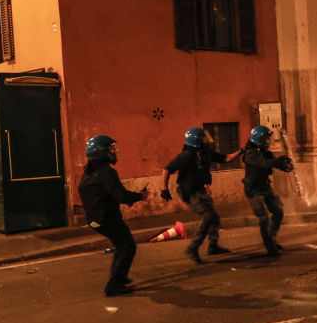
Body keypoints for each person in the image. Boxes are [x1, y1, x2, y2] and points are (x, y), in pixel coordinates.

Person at [78, 135, 149, 297]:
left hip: (95, 219)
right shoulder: (107, 172)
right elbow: (121, 195)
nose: (113, 152)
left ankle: (119, 277)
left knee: (121, 245)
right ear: (101, 152)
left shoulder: (90, 173)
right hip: (107, 219)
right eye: (110, 149)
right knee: (128, 246)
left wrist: (119, 198)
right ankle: (114, 285)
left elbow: (103, 193)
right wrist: (139, 197)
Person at [162, 127, 241, 264]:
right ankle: (192, 247)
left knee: (214, 217)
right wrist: (164, 189)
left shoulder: (205, 153)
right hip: (189, 191)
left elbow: (226, 158)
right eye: (204, 138)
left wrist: (241, 151)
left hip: (200, 190)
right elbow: (167, 169)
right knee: (208, 216)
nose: (207, 140)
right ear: (197, 140)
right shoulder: (186, 155)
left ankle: (213, 246)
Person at [241, 125, 293, 256]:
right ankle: (270, 247)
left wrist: (286, 165)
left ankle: (272, 237)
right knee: (264, 218)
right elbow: (266, 164)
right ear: (259, 139)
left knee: (278, 212)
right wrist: (282, 157)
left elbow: (275, 163)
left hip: (265, 187)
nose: (269, 140)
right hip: (254, 190)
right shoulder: (251, 153)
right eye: (266, 138)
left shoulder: (264, 151)